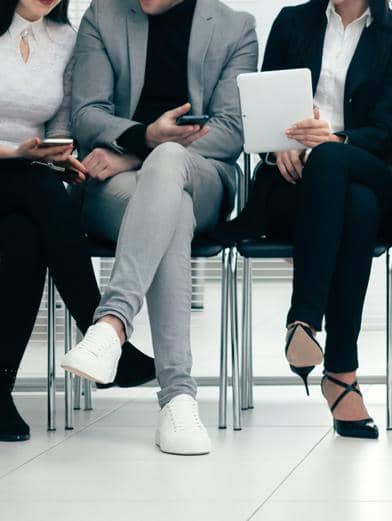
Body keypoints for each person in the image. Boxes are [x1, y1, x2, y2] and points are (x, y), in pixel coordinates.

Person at [58, 0, 257, 455]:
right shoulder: (103, 16)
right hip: (119, 188)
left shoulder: (234, 27)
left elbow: (230, 131)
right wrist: (147, 137)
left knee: (171, 164)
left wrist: (140, 152)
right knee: (173, 210)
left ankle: (111, 323)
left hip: (202, 174)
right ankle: (178, 397)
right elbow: (86, 114)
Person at [214, 0, 392, 439]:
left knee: (334, 165)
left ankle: (304, 318)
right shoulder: (292, 22)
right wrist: (275, 143)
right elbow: (262, 107)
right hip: (294, 183)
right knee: (355, 208)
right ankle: (342, 375)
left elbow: (391, 132)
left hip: (368, 167)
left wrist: (335, 140)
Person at [0, 0, 154, 443]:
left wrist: (60, 156)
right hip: (15, 172)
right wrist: (18, 154)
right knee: (39, 188)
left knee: (27, 238)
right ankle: (103, 334)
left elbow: (62, 123)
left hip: (26, 186)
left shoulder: (64, 39)